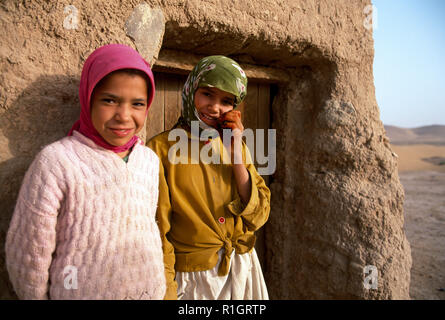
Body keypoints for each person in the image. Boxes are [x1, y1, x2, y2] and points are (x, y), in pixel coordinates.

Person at [5, 44, 166, 300]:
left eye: (137, 104)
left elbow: (146, 227)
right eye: (109, 100)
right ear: (88, 97)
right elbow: (29, 253)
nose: (124, 116)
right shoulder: (58, 162)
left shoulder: (148, 160)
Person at [147, 55, 270, 300]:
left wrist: (236, 156)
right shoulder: (159, 150)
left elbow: (258, 216)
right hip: (194, 282)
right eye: (207, 94)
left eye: (226, 101)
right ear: (191, 90)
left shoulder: (236, 145)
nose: (215, 108)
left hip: (242, 272)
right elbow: (158, 232)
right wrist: (166, 292)